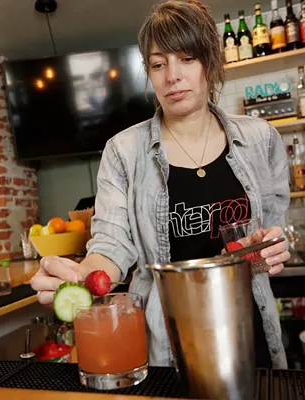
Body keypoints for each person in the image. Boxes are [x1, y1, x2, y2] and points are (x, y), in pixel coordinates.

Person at [31, 0, 290, 369]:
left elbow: (272, 234)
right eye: (158, 64)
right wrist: (78, 277)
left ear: (210, 61)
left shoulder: (261, 140)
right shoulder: (123, 151)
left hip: (250, 336)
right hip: (167, 348)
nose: (172, 76)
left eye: (186, 58)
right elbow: (111, 245)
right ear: (149, 73)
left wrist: (265, 252)